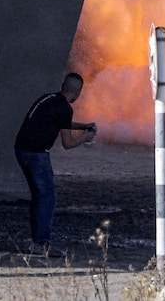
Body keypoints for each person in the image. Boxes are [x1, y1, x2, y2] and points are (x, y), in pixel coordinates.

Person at [13, 73, 96, 258]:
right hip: (36, 153)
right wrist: (85, 137)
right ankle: (41, 244)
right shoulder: (65, 108)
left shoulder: (49, 99)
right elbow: (67, 144)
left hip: (21, 149)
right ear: (77, 92)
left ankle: (36, 240)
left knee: (38, 196)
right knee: (47, 198)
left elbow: (60, 122)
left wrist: (82, 126)